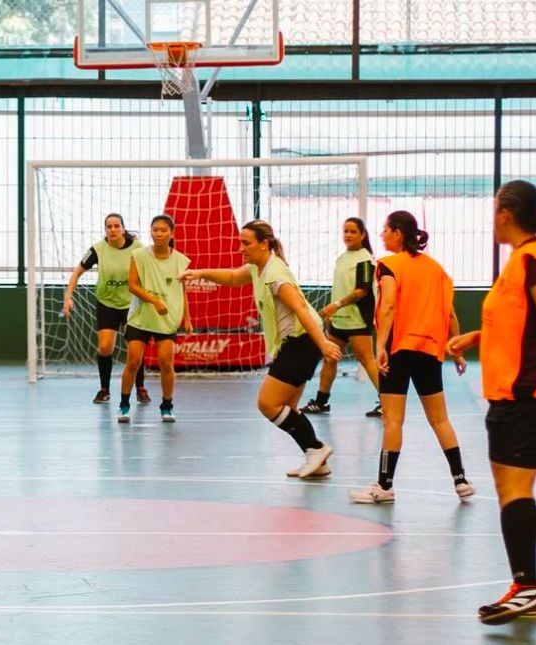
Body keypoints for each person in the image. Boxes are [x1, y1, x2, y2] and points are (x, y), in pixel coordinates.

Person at [181, 220, 342, 477]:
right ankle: (317, 461)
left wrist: (323, 343)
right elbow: (233, 278)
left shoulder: (276, 276)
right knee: (288, 407)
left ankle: (316, 448)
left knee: (268, 404)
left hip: (303, 342)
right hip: (298, 344)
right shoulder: (258, 268)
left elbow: (301, 308)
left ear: (264, 244)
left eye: (246, 243)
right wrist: (200, 273)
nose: (241, 248)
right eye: (240, 243)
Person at [447, 179, 536, 624]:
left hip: (524, 397)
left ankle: (527, 586)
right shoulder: (519, 260)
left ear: (505, 213)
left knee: (515, 490)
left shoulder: (531, 259)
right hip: (512, 396)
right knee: (514, 490)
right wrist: (478, 335)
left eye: (494, 209)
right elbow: (523, 322)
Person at [349, 211, 473, 504]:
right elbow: (450, 314)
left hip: (399, 350)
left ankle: (384, 486)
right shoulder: (436, 269)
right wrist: (456, 350)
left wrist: (380, 346)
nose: (382, 235)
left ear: (398, 234)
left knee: (393, 420)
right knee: (440, 419)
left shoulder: (389, 265)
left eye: (385, 230)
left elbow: (389, 307)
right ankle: (461, 480)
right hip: (429, 351)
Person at [62, 213, 150, 404]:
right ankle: (104, 389)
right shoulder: (98, 249)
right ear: (105, 230)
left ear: (123, 229)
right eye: (109, 226)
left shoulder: (138, 248)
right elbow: (77, 272)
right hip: (107, 302)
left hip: (132, 303)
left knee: (134, 348)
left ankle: (141, 388)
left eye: (116, 226)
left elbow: (151, 270)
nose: (113, 229)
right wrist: (68, 297)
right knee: (104, 347)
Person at [300, 217, 383, 418]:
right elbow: (339, 287)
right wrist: (333, 314)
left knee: (367, 360)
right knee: (330, 358)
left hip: (357, 320)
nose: (348, 235)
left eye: (353, 231)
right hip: (339, 320)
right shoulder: (342, 258)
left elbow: (362, 291)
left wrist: (336, 305)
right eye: (345, 231)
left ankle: (387, 402)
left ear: (363, 235)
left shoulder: (366, 259)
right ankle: (321, 402)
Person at [118, 215, 193, 423]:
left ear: (172, 233)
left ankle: (167, 406)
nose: (158, 234)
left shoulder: (180, 260)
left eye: (163, 230)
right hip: (140, 317)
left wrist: (187, 318)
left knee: (166, 363)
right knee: (133, 361)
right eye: (155, 230)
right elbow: (132, 285)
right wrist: (155, 301)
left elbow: (182, 290)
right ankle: (124, 405)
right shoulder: (139, 255)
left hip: (166, 319)